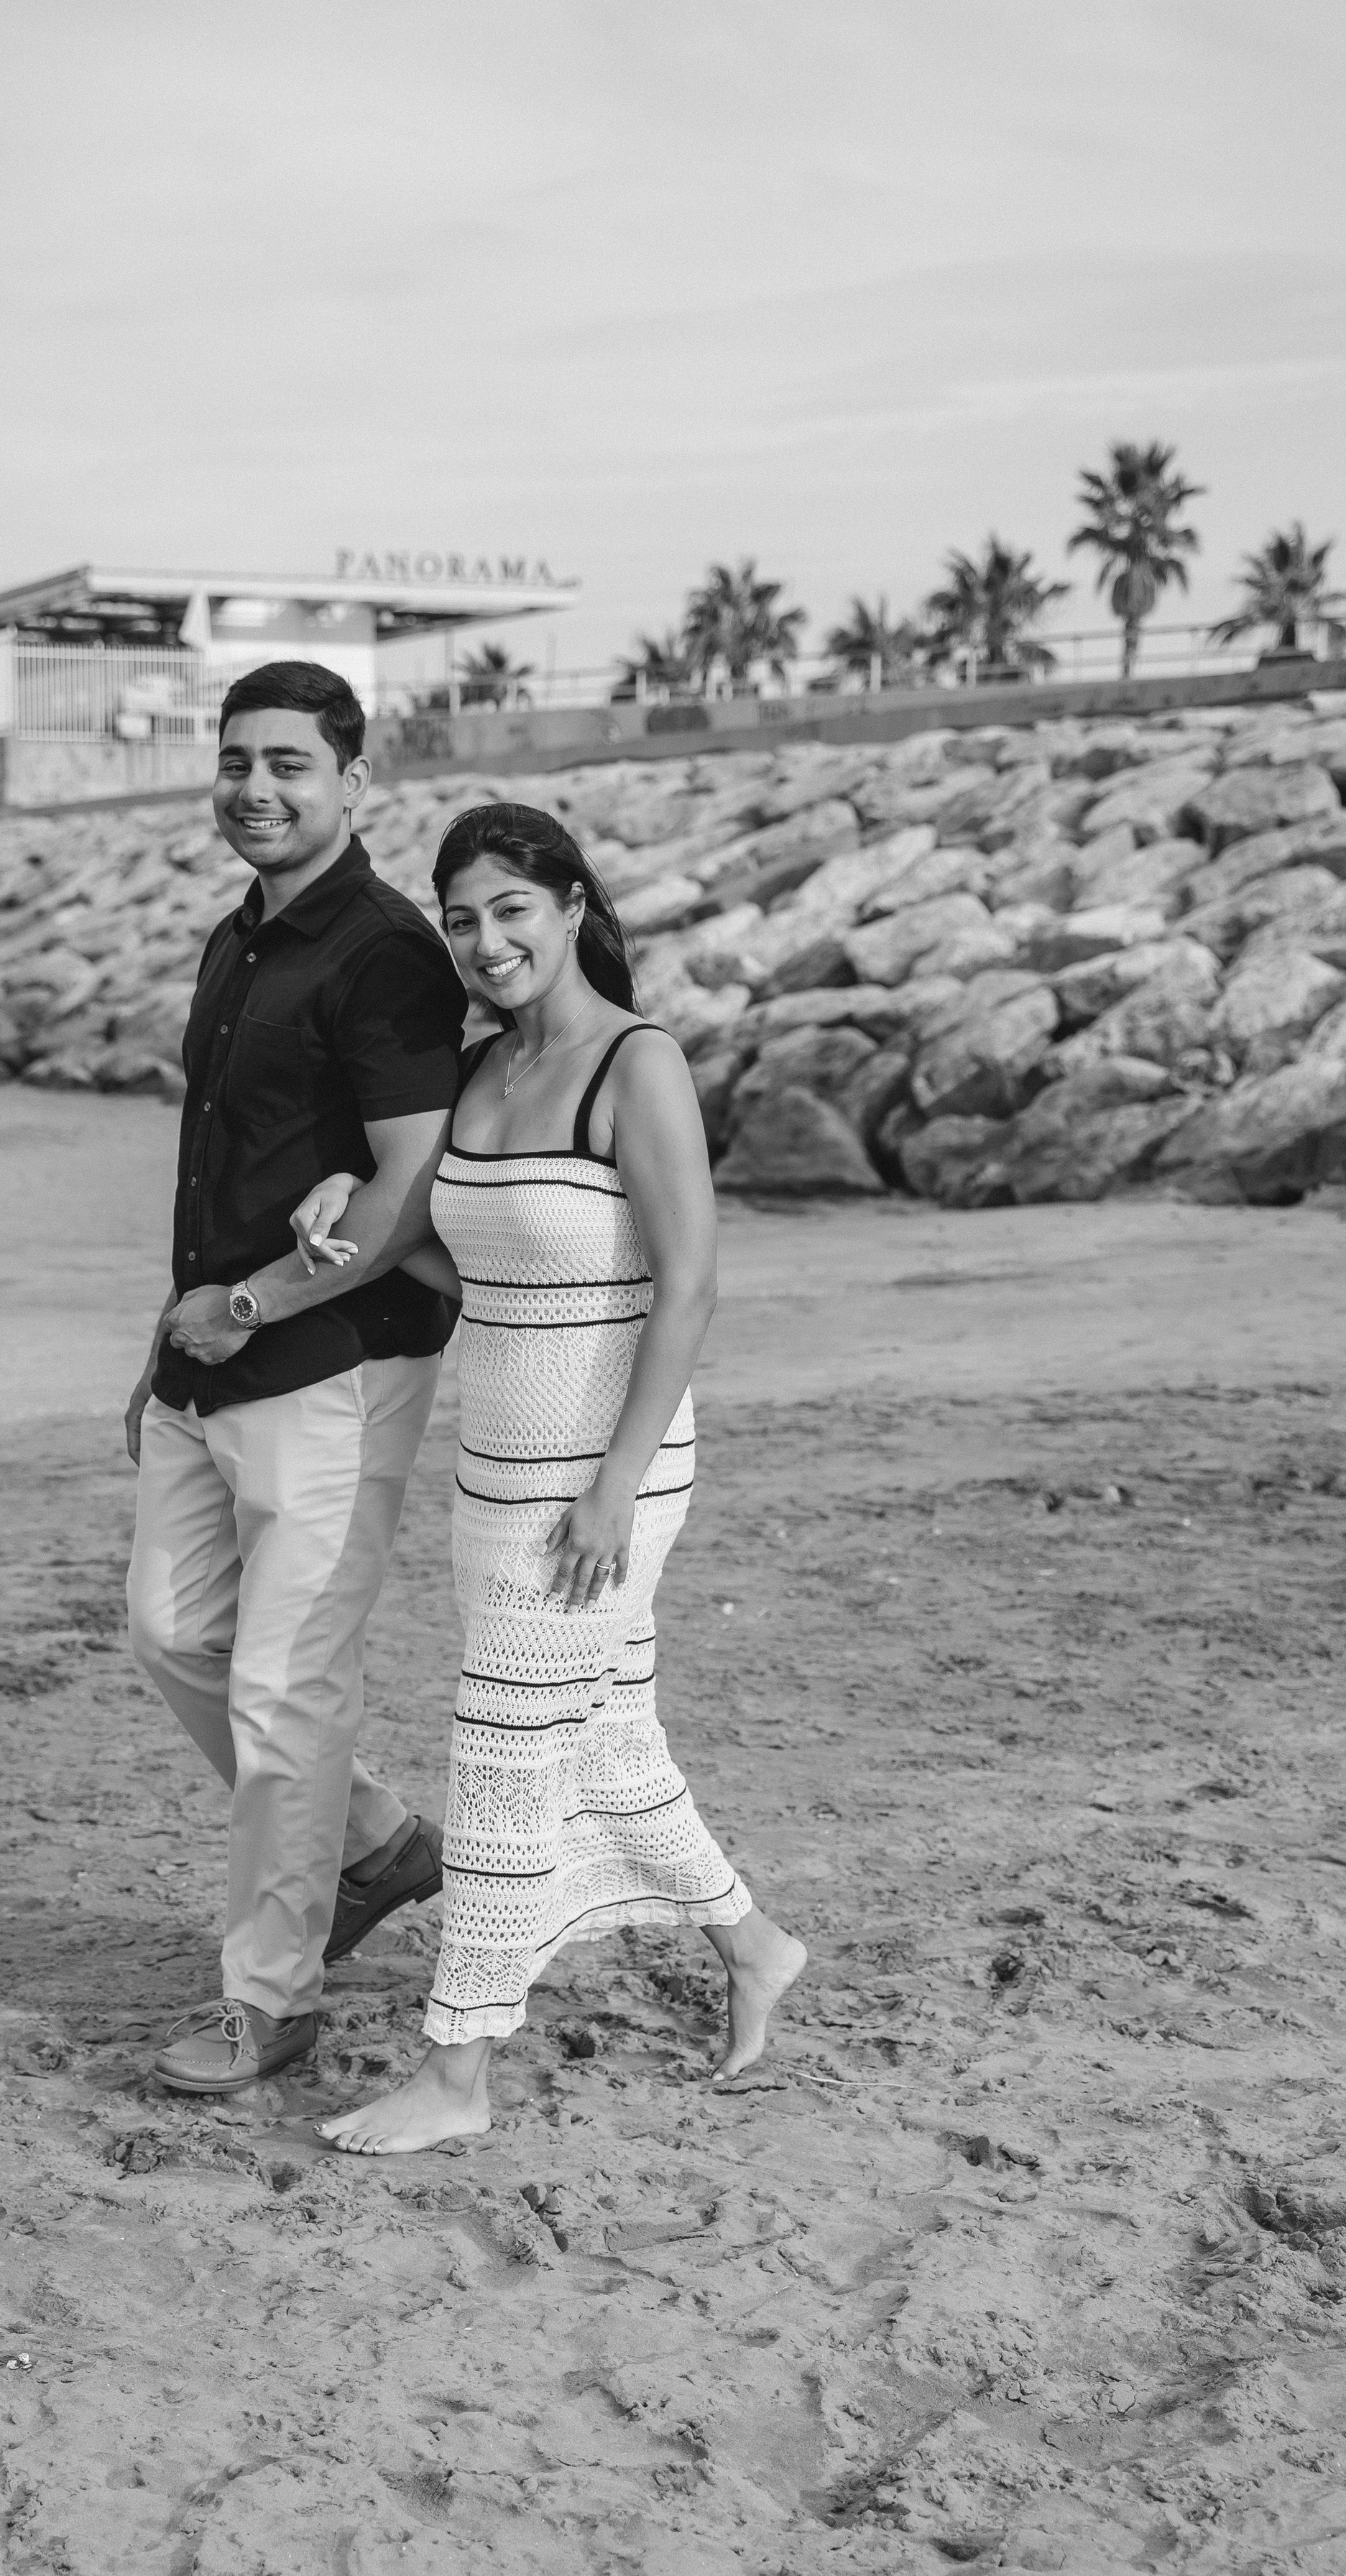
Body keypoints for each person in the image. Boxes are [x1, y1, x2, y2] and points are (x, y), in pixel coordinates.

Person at [290, 803, 807, 2155]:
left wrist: (615, 1488)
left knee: (504, 1756)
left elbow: (689, 1288)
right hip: (498, 1470)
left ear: (573, 907)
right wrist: (344, 1204)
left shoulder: (638, 1063)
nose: (485, 941)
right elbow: (461, 1259)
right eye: (461, 919)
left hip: (606, 1474)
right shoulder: (478, 1072)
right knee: (606, 1742)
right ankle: (756, 1946)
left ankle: (457, 2071)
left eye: (511, 909)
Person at [123, 660, 466, 2097]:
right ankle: (375, 1842)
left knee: (282, 1689)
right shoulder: (240, 937)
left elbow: (407, 1187)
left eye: (288, 765)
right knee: (168, 1633)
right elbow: (222, 1169)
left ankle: (269, 2001)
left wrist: (252, 1304)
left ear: (352, 781)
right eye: (236, 762)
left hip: (333, 1364)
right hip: (206, 1363)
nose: (255, 790)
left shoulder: (385, 954)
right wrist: (165, 1345)